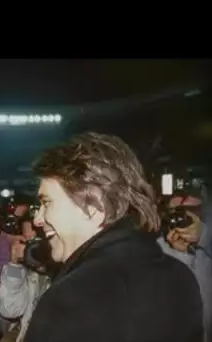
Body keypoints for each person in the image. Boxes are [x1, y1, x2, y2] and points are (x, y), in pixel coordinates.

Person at [23, 132, 203, 342]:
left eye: (47, 203)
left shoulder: (71, 298)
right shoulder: (180, 275)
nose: (37, 218)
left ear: (93, 204)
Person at [158, 191, 212, 342]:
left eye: (192, 211)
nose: (184, 218)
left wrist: (204, 237)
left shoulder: (207, 246)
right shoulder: (156, 252)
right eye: (177, 213)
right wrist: (182, 256)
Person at [0, 216, 51, 342]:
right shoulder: (28, 274)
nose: (33, 250)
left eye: (37, 242)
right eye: (28, 243)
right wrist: (14, 265)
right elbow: (11, 310)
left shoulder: (67, 270)